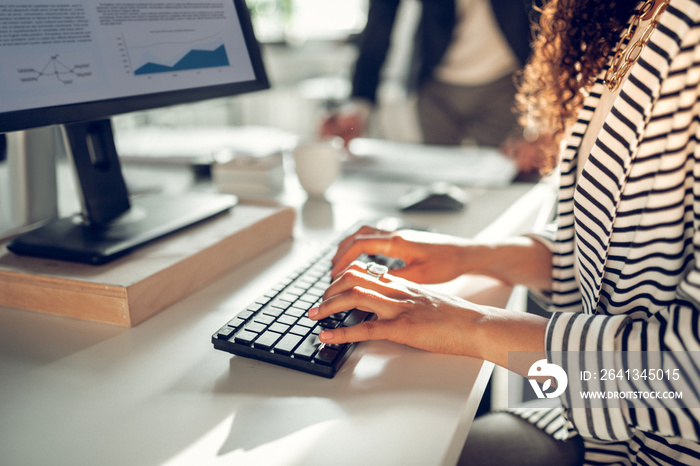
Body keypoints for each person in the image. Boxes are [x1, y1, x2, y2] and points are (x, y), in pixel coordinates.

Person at [309, 0, 700, 464]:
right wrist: (475, 254)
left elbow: (686, 380)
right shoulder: (638, 22)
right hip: (593, 423)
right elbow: (610, 263)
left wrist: (473, 327)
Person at [320, 0, 536, 148]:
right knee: (436, 190)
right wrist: (359, 105)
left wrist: (544, 122)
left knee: (504, 185)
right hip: (435, 87)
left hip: (505, 84)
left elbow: (547, 20)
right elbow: (380, 22)